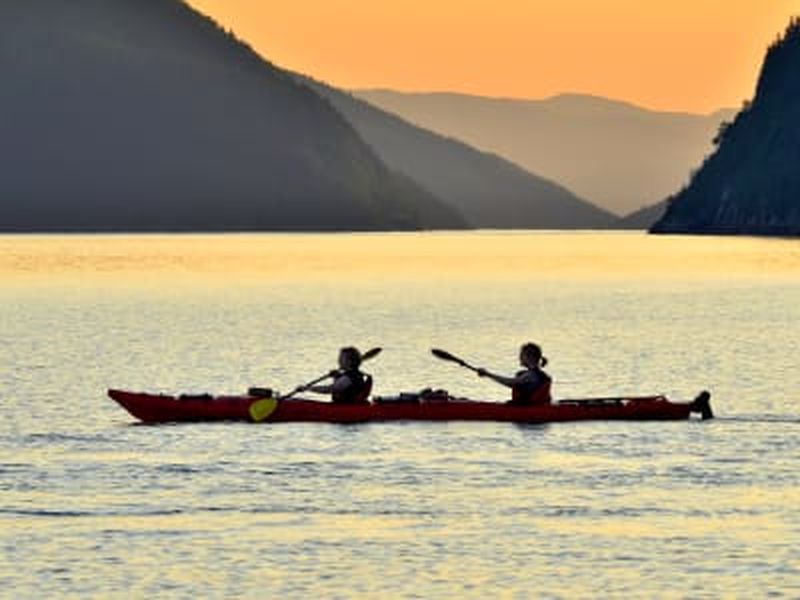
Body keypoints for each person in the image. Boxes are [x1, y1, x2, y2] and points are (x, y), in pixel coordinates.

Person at [477, 342, 552, 405]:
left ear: (529, 357)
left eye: (522, 355)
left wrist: (488, 374)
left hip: (527, 410)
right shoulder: (538, 374)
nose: (520, 358)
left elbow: (510, 382)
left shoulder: (530, 375)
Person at [304, 347, 372, 404]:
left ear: (349, 362)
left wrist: (308, 388)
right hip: (348, 406)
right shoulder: (356, 375)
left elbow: (329, 389)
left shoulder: (348, 378)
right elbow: (341, 388)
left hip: (345, 408)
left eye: (341, 358)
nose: (339, 361)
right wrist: (336, 377)